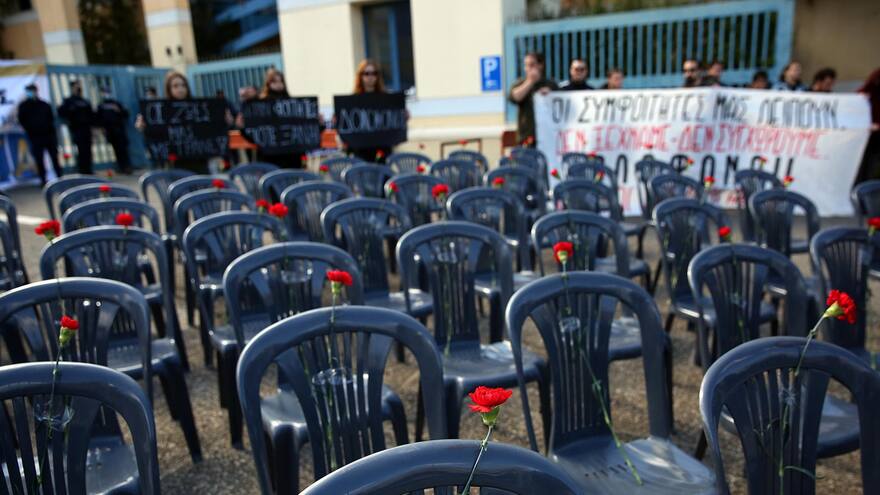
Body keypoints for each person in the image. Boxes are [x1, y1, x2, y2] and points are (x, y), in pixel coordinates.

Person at [136, 71, 224, 173]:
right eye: (175, 86)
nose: (180, 89)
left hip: (200, 162)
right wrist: (143, 127)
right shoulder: (161, 111)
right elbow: (157, 135)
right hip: (176, 165)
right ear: (169, 89)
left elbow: (211, 129)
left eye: (183, 85)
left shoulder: (199, 108)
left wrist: (226, 122)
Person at [348, 59, 395, 163]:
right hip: (361, 151)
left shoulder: (385, 98)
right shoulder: (352, 100)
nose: (370, 77)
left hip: (382, 150)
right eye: (366, 73)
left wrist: (402, 116)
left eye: (374, 73)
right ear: (360, 76)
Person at [17, 83, 62, 185]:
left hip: (49, 136)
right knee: (39, 160)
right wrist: (31, 130)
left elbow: (51, 119)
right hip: (35, 137)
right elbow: (22, 120)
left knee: (54, 158)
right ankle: (43, 180)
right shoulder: (23, 106)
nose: (31, 93)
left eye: (33, 90)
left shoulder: (44, 104)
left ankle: (60, 178)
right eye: (29, 91)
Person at [508, 52, 557, 146]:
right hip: (527, 137)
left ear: (540, 65)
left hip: (548, 137)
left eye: (531, 65)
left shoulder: (551, 84)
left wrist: (551, 94)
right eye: (526, 65)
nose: (528, 68)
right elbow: (514, 97)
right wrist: (530, 81)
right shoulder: (519, 84)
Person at [57, 80, 95, 174]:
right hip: (76, 128)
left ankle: (88, 170)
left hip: (87, 128)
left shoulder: (85, 101)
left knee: (88, 150)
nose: (78, 88)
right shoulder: (69, 101)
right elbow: (62, 111)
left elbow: (91, 115)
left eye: (79, 86)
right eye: (76, 86)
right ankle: (83, 170)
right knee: (81, 150)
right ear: (72, 88)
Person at [96, 87, 132, 174]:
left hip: (119, 130)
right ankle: (121, 167)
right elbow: (98, 118)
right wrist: (101, 129)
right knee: (116, 150)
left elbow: (125, 114)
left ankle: (127, 167)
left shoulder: (116, 104)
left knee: (123, 149)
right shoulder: (101, 105)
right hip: (110, 131)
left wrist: (118, 110)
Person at [856, 68, 880, 183]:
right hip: (864, 138)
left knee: (871, 168)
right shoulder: (865, 93)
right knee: (860, 168)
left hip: (876, 140)